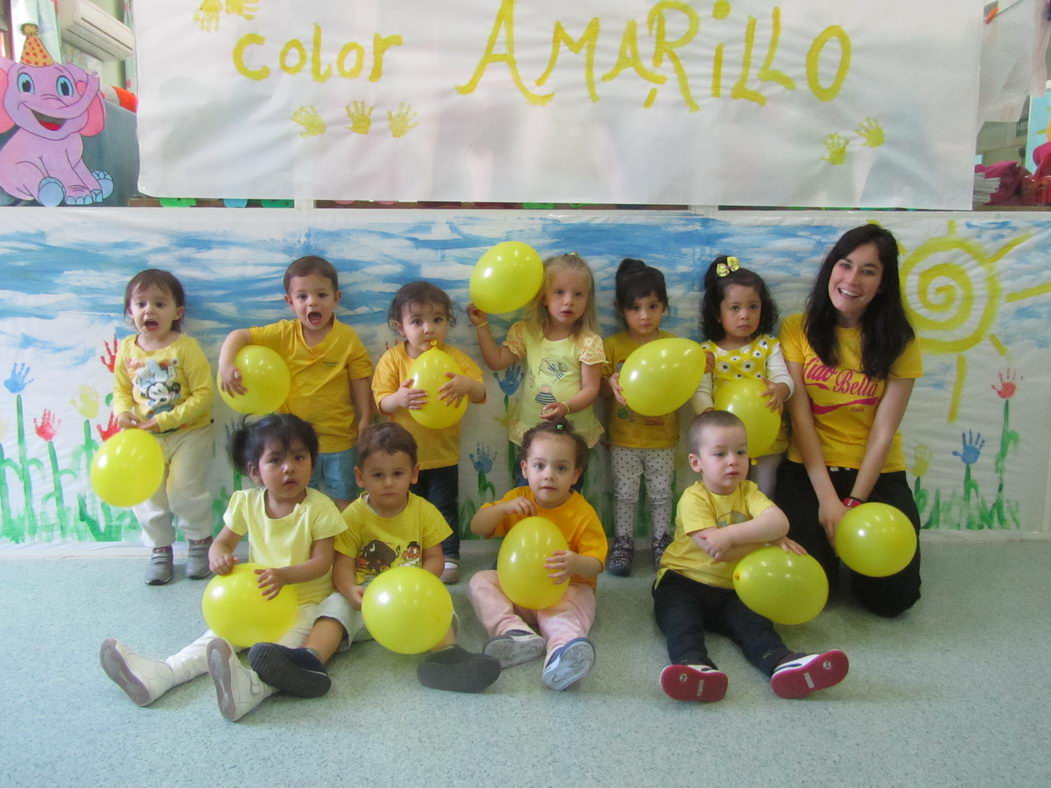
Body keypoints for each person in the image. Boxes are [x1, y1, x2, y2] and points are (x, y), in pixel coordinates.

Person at [100, 414, 347, 721]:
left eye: (300, 457)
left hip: (305, 602)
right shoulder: (246, 503)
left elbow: (323, 563)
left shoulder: (319, 507)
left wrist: (284, 577)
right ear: (256, 472)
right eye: (276, 460)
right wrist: (219, 556)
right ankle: (162, 674)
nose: (289, 468)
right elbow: (222, 543)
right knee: (215, 638)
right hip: (256, 596)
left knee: (280, 654)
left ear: (312, 462)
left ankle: (253, 688)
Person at [246, 422, 501, 696]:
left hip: (410, 601)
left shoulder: (424, 511)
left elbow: (434, 557)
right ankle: (309, 661)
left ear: (414, 474)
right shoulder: (353, 516)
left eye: (398, 473)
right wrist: (349, 591)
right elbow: (342, 564)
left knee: (440, 602)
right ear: (360, 476)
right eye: (377, 475)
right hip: (365, 600)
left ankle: (448, 658)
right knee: (334, 607)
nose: (388, 482)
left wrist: (423, 583)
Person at [774, 224, 923, 617]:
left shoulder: (901, 341)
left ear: (883, 284)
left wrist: (854, 501)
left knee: (891, 601)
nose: (852, 280)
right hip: (809, 470)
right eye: (845, 265)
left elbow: (884, 431)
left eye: (868, 271)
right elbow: (800, 418)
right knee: (811, 589)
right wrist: (828, 501)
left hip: (876, 473)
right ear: (831, 269)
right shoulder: (797, 328)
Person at [654, 410, 849, 702]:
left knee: (755, 624)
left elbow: (780, 523)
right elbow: (715, 550)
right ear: (697, 463)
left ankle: (783, 663)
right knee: (681, 622)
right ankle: (693, 666)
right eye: (720, 454)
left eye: (740, 452)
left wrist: (734, 535)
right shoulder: (693, 498)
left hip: (735, 586)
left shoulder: (749, 491)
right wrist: (764, 538)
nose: (733, 460)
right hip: (683, 581)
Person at [218, 255, 373, 509]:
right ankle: (305, 546)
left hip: (340, 440)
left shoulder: (347, 338)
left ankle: (343, 547)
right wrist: (226, 364)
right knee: (299, 500)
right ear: (290, 302)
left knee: (344, 500)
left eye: (321, 295)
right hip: (295, 444)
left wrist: (365, 418)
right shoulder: (282, 334)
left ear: (337, 298)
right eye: (302, 297)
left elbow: (359, 378)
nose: (312, 302)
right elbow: (240, 335)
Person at [468, 419, 607, 691]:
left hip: (565, 589)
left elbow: (596, 564)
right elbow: (476, 527)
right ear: (525, 468)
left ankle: (561, 654)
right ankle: (514, 633)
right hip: (517, 591)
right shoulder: (518, 499)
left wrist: (575, 563)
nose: (549, 475)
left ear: (575, 475)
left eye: (561, 468)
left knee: (565, 612)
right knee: (480, 581)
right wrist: (502, 509)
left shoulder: (582, 512)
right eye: (539, 466)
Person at [602, 258, 713, 576]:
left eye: (652, 306)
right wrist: (608, 382)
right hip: (624, 438)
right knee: (624, 493)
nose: (644, 315)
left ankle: (661, 542)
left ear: (664, 306)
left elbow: (697, 369)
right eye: (635, 307)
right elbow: (597, 387)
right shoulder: (613, 345)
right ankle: (622, 542)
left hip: (663, 438)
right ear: (621, 309)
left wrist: (703, 362)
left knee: (662, 494)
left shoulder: (673, 345)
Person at [372, 282, 487, 584]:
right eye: (417, 321)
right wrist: (399, 399)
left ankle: (449, 555)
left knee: (442, 509)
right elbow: (381, 400)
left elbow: (480, 390)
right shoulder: (394, 360)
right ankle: (410, 554)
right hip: (401, 460)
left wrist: (466, 385)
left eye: (437, 320)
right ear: (400, 327)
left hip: (442, 454)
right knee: (403, 507)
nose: (428, 329)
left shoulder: (455, 357)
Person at [112, 269, 214, 585]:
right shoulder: (128, 348)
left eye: (159, 304)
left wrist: (166, 419)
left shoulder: (185, 348)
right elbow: (121, 390)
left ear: (177, 312)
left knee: (185, 491)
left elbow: (204, 394)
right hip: (145, 440)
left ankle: (199, 543)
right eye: (140, 304)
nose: (149, 311)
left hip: (188, 434)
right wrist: (123, 412)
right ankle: (160, 549)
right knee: (150, 496)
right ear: (130, 311)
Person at [468, 252, 606, 475]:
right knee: (527, 494)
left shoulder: (588, 341)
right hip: (533, 432)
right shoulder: (528, 332)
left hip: (571, 435)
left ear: (587, 300)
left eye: (578, 294)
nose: (568, 300)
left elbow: (592, 389)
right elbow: (496, 361)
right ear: (544, 297)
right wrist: (482, 325)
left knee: (567, 498)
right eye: (559, 292)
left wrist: (566, 407)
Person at [699, 255, 793, 497]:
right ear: (718, 314)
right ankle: (730, 532)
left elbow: (784, 376)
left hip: (768, 439)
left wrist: (781, 390)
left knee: (763, 494)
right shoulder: (707, 352)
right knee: (726, 495)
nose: (745, 315)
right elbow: (701, 390)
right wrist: (706, 413)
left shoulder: (768, 345)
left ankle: (759, 534)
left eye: (753, 307)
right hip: (724, 442)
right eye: (734, 308)